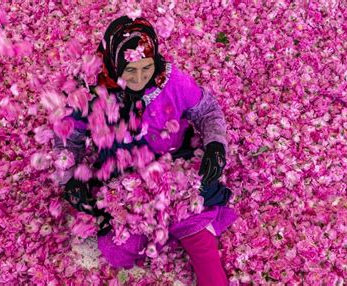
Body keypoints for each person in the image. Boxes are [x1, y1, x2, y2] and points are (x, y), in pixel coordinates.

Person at [55, 16, 237, 286]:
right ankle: (164, 230)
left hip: (175, 170)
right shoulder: (92, 93)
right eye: (131, 71)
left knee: (197, 232)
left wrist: (214, 145)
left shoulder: (171, 80)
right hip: (124, 181)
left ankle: (188, 229)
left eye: (146, 68)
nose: (140, 78)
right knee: (116, 249)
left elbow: (207, 110)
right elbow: (68, 134)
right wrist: (69, 178)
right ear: (114, 63)